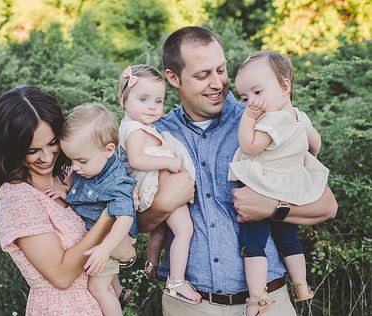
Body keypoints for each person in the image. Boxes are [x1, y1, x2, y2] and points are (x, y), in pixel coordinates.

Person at [136, 26, 337, 315]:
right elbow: (131, 221)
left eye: (221, 70)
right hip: (189, 305)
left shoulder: (265, 122)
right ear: (173, 77)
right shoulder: (153, 136)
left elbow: (327, 205)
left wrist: (272, 207)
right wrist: (164, 203)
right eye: (203, 75)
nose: (217, 82)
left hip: (268, 302)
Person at [0, 85, 133, 315]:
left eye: (52, 143)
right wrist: (107, 218)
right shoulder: (15, 196)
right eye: (32, 150)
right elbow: (61, 276)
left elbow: (127, 249)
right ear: (11, 149)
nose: (46, 157)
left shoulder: (72, 173)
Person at [228, 51, 329, 315]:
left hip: (264, 188)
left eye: (258, 92)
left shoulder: (270, 121)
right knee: (289, 240)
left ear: (284, 86)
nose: (252, 102)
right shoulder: (299, 116)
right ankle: (301, 285)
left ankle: (256, 296)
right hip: (290, 188)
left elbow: (250, 147)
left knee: (253, 244)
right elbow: (315, 143)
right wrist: (300, 157)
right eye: (245, 98)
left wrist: (248, 118)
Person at [117, 64, 201, 304]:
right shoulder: (135, 131)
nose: (152, 106)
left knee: (161, 229)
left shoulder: (136, 126)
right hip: (155, 189)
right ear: (123, 100)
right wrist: (170, 161)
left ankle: (151, 264)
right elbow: (136, 159)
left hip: (154, 189)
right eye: (143, 99)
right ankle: (176, 280)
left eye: (158, 101)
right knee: (185, 230)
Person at [59, 103, 138, 316]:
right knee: (105, 279)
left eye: (81, 160)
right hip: (102, 234)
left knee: (97, 287)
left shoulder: (116, 181)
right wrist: (64, 187)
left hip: (114, 238)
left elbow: (125, 219)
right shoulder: (89, 166)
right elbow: (74, 176)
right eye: (71, 160)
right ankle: (120, 291)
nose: (75, 167)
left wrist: (105, 249)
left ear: (108, 150)